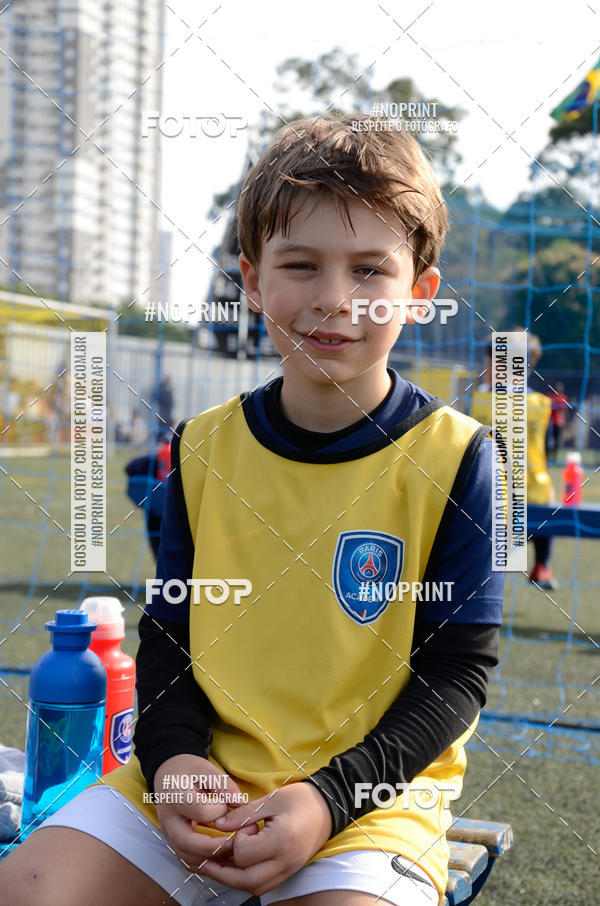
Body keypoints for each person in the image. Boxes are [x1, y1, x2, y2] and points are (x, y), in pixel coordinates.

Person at [1, 115, 504, 906]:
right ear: (254, 281)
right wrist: (173, 763)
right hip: (197, 786)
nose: (333, 298)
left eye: (369, 271)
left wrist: (328, 800)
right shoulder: (202, 446)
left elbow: (456, 674)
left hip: (367, 806)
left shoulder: (460, 458)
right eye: (300, 265)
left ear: (418, 295)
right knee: (30, 890)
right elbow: (169, 635)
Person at [472, 335, 558, 590]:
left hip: (489, 488)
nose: (486, 367)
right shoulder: (540, 404)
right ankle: (542, 565)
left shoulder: (479, 400)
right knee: (546, 507)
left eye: (489, 361)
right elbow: (549, 445)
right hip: (530, 491)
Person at [125, 431, 172, 559]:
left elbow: (129, 468)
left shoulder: (153, 459)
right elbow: (130, 468)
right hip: (159, 511)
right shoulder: (153, 460)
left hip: (160, 511)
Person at [547, 381, 569, 458]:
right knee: (548, 439)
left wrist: (566, 421)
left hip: (558, 422)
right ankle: (547, 455)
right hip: (548, 421)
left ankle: (554, 456)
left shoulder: (563, 398)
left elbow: (565, 411)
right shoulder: (549, 396)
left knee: (556, 440)